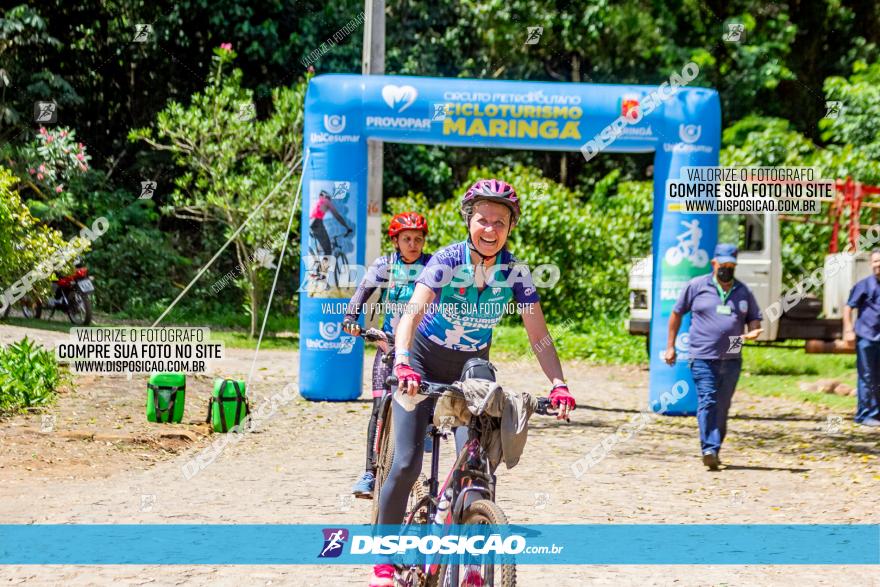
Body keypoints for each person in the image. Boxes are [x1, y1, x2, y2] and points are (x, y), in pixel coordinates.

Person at [367, 179, 576, 587]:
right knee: (407, 462)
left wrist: (559, 384)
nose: (490, 228)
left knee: (478, 467)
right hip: (422, 364)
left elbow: (539, 336)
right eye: (483, 219)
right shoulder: (447, 259)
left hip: (472, 371)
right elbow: (411, 314)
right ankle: (385, 564)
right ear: (469, 221)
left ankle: (474, 563)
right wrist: (405, 362)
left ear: (511, 227)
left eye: (500, 221)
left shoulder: (516, 273)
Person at [342, 212, 432, 498]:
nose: (413, 244)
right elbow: (361, 294)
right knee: (380, 406)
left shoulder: (431, 266)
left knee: (427, 401)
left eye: (418, 239)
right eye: (406, 239)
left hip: (421, 346)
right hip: (388, 344)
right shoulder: (385, 265)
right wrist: (350, 319)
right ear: (395, 241)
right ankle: (369, 472)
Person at [664, 243, 763, 471]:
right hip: (702, 357)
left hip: (732, 358)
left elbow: (754, 320)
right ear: (714, 263)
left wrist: (753, 331)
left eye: (731, 265)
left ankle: (715, 448)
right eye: (723, 264)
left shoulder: (743, 292)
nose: (726, 269)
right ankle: (708, 448)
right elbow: (676, 313)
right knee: (707, 400)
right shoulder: (696, 286)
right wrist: (670, 346)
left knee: (722, 406)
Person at [842, 250, 880, 427]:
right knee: (866, 375)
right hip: (866, 337)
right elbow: (848, 308)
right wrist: (848, 330)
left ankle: (876, 413)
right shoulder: (864, 285)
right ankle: (863, 414)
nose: (878, 264)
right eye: (875, 261)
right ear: (871, 264)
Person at [309, 190, 352, 255]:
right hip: (317, 222)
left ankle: (320, 256)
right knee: (328, 251)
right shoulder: (327, 202)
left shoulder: (319, 202)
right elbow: (337, 216)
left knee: (325, 244)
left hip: (312, 222)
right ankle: (324, 265)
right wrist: (347, 227)